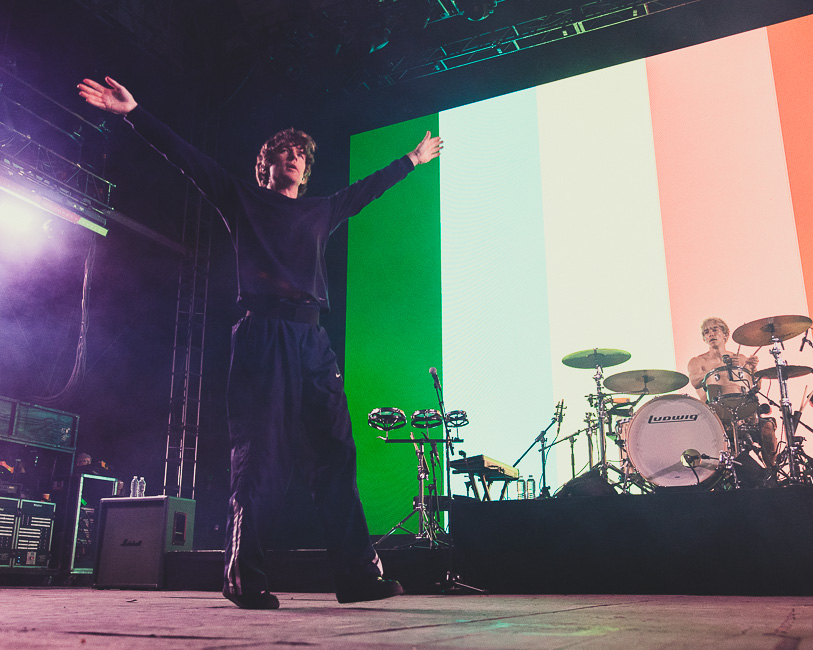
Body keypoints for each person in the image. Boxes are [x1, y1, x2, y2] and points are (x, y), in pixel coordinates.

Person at [78, 76, 442, 609]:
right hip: (262, 336)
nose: (292, 158)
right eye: (282, 153)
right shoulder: (242, 197)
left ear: (305, 169)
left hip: (311, 341)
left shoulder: (322, 210)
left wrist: (411, 159)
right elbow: (187, 157)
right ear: (265, 166)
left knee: (336, 456)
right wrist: (134, 112)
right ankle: (243, 577)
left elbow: (366, 190)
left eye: (299, 154)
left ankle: (359, 577)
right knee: (262, 460)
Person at [687, 317, 777, 468]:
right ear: (704, 338)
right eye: (706, 332)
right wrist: (724, 366)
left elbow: (756, 386)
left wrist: (752, 368)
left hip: (743, 413)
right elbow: (695, 381)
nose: (710, 334)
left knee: (767, 428)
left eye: (715, 329)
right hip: (715, 415)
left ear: (725, 335)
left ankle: (772, 472)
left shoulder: (740, 358)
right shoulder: (697, 361)